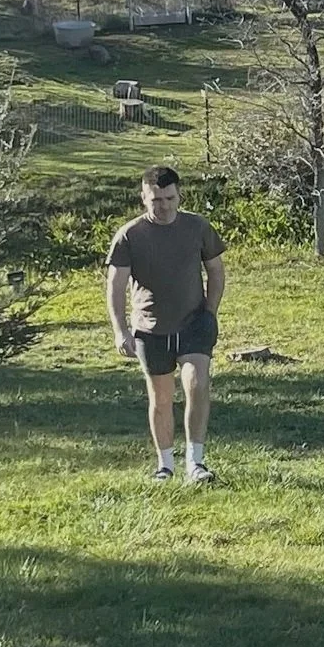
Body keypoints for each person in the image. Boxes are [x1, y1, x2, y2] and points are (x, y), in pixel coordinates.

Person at [104, 165, 226, 482]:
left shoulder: (198, 227)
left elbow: (215, 270)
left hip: (194, 324)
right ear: (144, 198)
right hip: (150, 329)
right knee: (161, 399)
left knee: (197, 384)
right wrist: (120, 331)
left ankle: (195, 463)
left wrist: (210, 312)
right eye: (156, 200)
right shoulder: (129, 235)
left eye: (170, 198)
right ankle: (165, 465)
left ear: (179, 195)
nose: (164, 206)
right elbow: (115, 287)